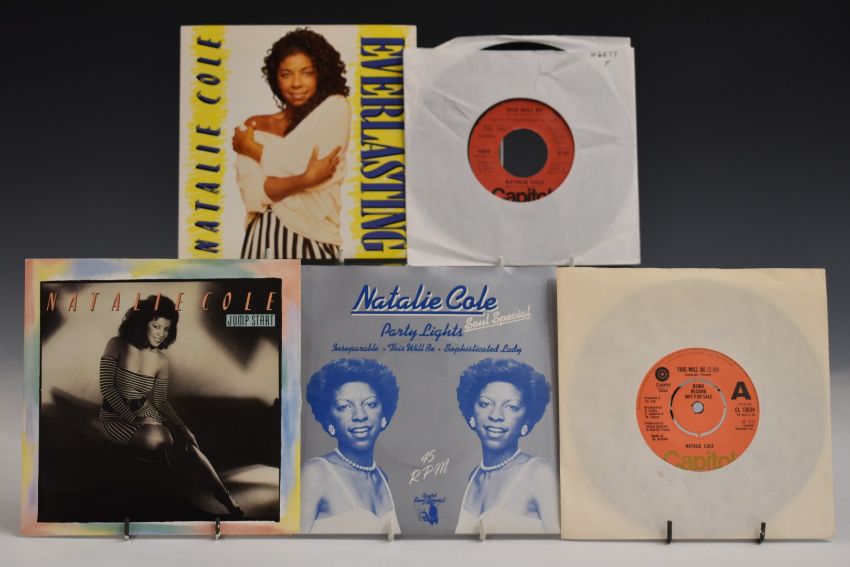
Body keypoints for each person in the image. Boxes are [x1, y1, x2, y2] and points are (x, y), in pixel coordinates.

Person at [98, 295, 242, 517]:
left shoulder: (161, 361)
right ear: (142, 322)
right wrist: (135, 419)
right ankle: (178, 500)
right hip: (115, 416)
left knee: (190, 446)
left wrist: (184, 429)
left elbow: (161, 401)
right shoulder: (116, 344)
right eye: (156, 326)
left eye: (166, 329)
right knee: (160, 437)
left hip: (146, 411)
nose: (161, 333)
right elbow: (107, 388)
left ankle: (227, 500)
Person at [232, 28, 351, 261]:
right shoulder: (254, 126)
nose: (296, 83)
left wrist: (251, 149)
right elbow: (253, 194)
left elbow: (307, 165)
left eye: (307, 73)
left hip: (316, 240)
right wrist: (305, 180)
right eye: (286, 74)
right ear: (275, 78)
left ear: (321, 74)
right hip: (260, 242)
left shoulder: (335, 108)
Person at [454, 358, 559, 534]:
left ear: (526, 421)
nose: (496, 415)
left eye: (511, 406)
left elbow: (563, 547)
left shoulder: (539, 473)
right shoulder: (474, 477)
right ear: (472, 414)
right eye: (485, 403)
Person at [301, 359, 400, 534]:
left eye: (370, 404)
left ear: (383, 415)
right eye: (344, 406)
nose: (360, 416)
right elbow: (290, 545)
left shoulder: (382, 478)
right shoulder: (314, 473)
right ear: (329, 420)